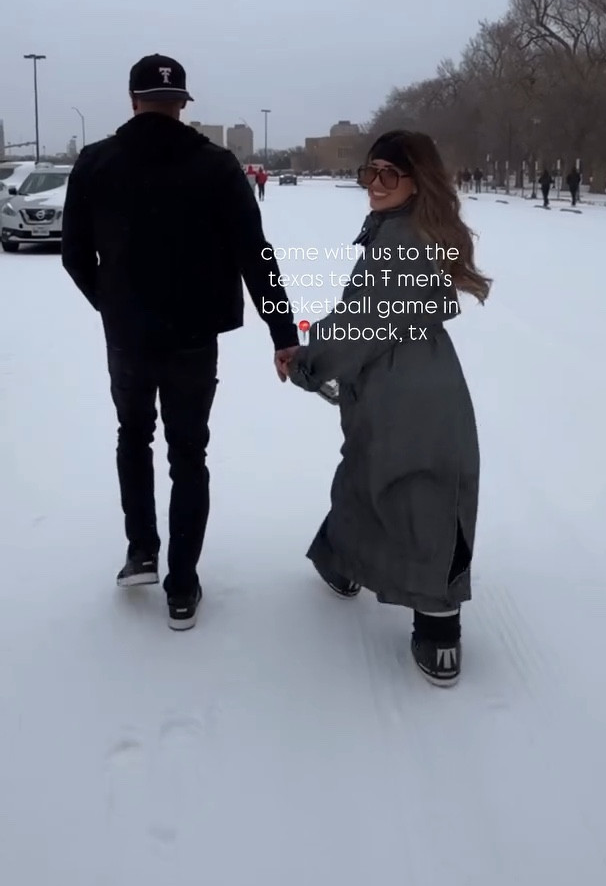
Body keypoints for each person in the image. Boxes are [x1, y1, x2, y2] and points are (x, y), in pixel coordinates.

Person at [61, 54, 298, 630]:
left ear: (133, 100)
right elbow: (254, 255)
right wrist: (283, 334)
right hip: (194, 338)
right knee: (189, 454)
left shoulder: (95, 164)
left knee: (133, 436)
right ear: (182, 104)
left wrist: (111, 302)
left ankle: (142, 549)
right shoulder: (217, 166)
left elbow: (73, 255)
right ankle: (183, 585)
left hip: (129, 338)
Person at [279, 130, 490, 686]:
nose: (373, 185)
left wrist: (306, 363)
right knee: (392, 481)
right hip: (424, 374)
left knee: (406, 487)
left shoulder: (399, 240)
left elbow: (358, 326)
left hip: (400, 385)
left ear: (415, 181)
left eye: (387, 175)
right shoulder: (417, 229)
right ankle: (347, 564)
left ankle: (438, 629)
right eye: (368, 173)